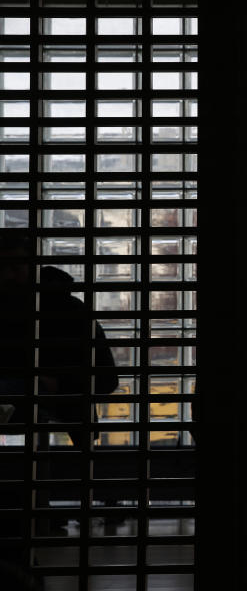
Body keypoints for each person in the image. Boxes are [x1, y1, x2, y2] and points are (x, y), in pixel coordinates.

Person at [0, 232, 117, 570]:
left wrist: (54, 381)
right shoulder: (68, 307)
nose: (9, 276)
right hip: (57, 403)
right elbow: (106, 377)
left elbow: (105, 377)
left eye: (15, 267)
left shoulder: (67, 310)